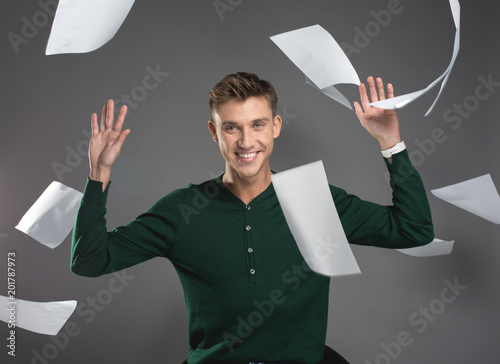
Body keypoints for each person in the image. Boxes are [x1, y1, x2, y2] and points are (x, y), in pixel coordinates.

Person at [71, 72, 434, 364]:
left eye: (257, 125)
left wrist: (392, 144)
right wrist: (98, 174)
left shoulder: (316, 199)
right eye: (232, 128)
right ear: (214, 132)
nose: (246, 142)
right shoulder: (183, 209)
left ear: (276, 126)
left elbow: (413, 230)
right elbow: (89, 260)